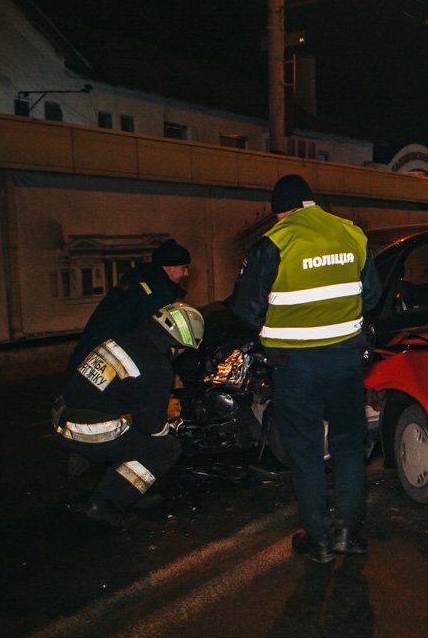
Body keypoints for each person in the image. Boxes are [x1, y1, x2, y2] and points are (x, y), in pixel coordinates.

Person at [231, 174, 382, 563]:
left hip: (295, 365)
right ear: (311, 202)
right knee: (349, 441)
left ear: (279, 211)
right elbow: (373, 296)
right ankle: (349, 530)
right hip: (346, 361)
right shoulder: (351, 234)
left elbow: (246, 311)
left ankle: (318, 539)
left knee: (306, 446)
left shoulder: (276, 241)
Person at [53, 302, 204, 527]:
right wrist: (169, 422)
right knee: (165, 449)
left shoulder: (122, 340)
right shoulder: (157, 365)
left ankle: (122, 488)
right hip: (89, 431)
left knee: (127, 431)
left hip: (62, 417)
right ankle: (106, 503)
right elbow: (151, 427)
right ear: (177, 344)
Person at [66, 238, 192, 370]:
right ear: (168, 267)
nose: (186, 273)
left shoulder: (141, 280)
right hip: (102, 363)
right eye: (183, 268)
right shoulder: (155, 293)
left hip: (89, 358)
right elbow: (156, 341)